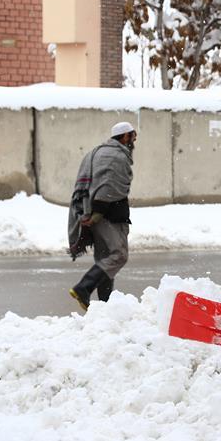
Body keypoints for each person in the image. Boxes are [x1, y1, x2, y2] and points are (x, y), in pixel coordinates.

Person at [67, 121, 137, 310]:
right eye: (132, 136)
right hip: (108, 214)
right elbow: (109, 188)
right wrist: (98, 213)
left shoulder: (97, 152)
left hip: (93, 211)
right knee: (118, 255)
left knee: (105, 260)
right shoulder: (116, 156)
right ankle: (84, 287)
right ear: (124, 137)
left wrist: (91, 213)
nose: (134, 140)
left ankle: (105, 306)